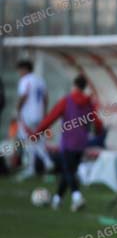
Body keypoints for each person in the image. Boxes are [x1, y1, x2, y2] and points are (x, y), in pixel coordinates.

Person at [33, 75, 103, 211]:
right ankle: (57, 200)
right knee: (68, 171)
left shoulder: (67, 100)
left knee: (68, 171)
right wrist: (99, 132)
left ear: (74, 85)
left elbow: (51, 117)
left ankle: (77, 197)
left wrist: (38, 132)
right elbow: (97, 121)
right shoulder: (89, 103)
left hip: (68, 142)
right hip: (82, 143)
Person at [16, 60, 54, 179]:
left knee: (29, 140)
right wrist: (44, 113)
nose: (19, 73)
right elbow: (46, 97)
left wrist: (17, 109)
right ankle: (32, 168)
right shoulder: (40, 80)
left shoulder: (25, 80)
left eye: (20, 70)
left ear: (25, 69)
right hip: (39, 114)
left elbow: (23, 96)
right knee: (37, 140)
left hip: (28, 115)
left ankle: (46, 161)